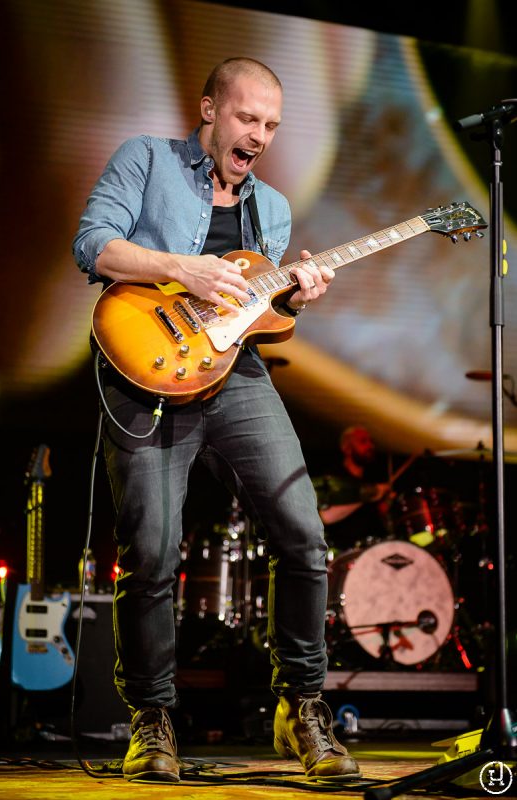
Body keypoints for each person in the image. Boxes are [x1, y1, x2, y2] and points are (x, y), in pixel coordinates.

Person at [72, 57, 360, 783]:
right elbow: (93, 245)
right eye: (246, 118)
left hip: (235, 376)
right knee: (152, 552)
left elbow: (258, 317)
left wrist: (293, 297)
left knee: (302, 532)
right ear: (209, 109)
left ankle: (301, 704)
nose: (258, 135)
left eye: (270, 125)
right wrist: (185, 269)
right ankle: (152, 719)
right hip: (144, 373)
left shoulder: (274, 209)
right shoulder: (145, 159)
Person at [315, 426, 392, 551]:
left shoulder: (372, 477)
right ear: (347, 449)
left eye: (371, 442)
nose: (370, 446)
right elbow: (326, 516)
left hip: (375, 549)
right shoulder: (333, 479)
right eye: (363, 441)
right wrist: (371, 494)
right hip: (345, 554)